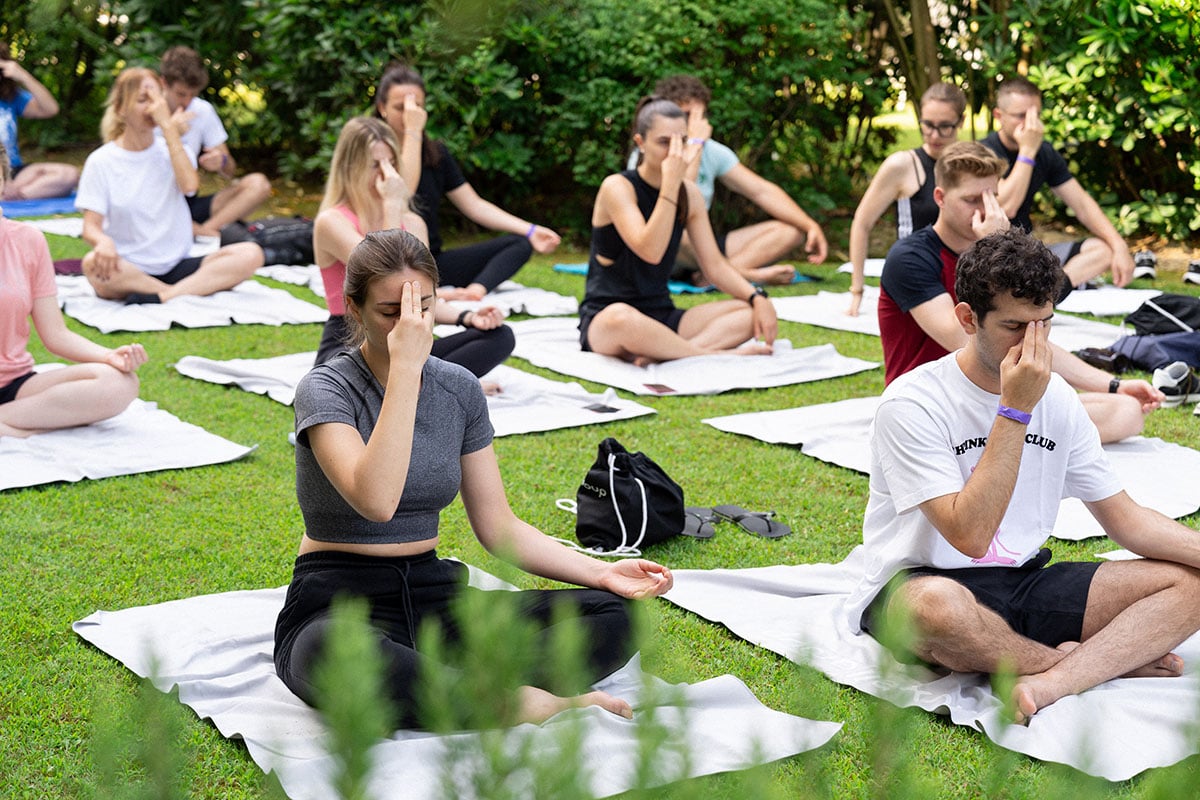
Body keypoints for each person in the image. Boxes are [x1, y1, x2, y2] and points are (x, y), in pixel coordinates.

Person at [273, 228, 673, 729]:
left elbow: (498, 526)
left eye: (418, 309)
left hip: (434, 597)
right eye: (389, 312)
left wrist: (599, 572)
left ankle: (458, 685)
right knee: (338, 654)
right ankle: (521, 701)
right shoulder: (326, 388)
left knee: (615, 616)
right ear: (354, 310)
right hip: (337, 602)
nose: (407, 326)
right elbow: (376, 500)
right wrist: (404, 372)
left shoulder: (458, 389)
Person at [847, 228, 1200, 724]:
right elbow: (969, 535)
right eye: (1016, 326)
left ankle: (1052, 680)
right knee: (935, 609)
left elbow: (1127, 521)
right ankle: (1084, 664)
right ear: (968, 319)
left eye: (1045, 324)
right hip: (921, 583)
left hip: (1022, 581)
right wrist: (1013, 410)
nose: (1035, 344)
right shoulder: (912, 403)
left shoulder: (1057, 397)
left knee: (1189, 583)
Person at [877, 141, 1160, 443]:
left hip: (996, 396)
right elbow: (963, 339)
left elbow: (1027, 339)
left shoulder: (996, 253)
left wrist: (1113, 385)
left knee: (1126, 410)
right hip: (932, 404)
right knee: (1110, 416)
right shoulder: (910, 258)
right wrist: (992, 247)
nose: (986, 210)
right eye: (972, 199)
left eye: (993, 198)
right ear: (940, 198)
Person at [312, 117, 514, 385]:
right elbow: (385, 277)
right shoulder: (332, 222)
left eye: (391, 163)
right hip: (353, 340)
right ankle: (437, 384)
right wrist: (392, 206)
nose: (387, 174)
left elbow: (420, 299)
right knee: (374, 368)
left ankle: (438, 383)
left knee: (500, 336)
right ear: (351, 167)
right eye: (375, 165)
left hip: (405, 339)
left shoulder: (414, 223)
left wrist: (468, 317)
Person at [580, 98, 778, 366]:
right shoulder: (618, 187)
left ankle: (667, 352)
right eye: (664, 142)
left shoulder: (689, 195)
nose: (674, 152)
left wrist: (757, 297)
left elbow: (715, 266)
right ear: (640, 143)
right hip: (609, 320)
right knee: (621, 317)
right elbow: (650, 250)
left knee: (746, 313)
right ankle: (707, 354)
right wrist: (671, 184)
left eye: (681, 142)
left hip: (662, 315)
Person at [373, 62, 560, 302]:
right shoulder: (373, 150)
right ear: (382, 107)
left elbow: (473, 204)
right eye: (401, 107)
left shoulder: (435, 153)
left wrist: (531, 230)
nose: (410, 115)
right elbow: (404, 190)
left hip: (430, 260)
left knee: (518, 244)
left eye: (417, 107)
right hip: (392, 262)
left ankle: (474, 293)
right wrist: (413, 132)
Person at [76, 68, 264, 305]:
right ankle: (181, 290)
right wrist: (103, 242)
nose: (153, 108)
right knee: (91, 265)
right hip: (129, 267)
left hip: (178, 263)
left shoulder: (174, 150)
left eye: (157, 100)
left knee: (251, 253)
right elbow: (90, 227)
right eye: (143, 100)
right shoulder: (101, 161)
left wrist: (168, 128)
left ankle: (164, 295)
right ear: (121, 109)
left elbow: (190, 187)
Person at [0, 143, 146, 438]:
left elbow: (56, 335)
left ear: (4, 184)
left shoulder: (28, 240)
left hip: (15, 384)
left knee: (119, 383)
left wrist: (109, 356)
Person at [631, 74, 828, 287]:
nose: (695, 123)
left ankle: (712, 276)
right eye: (688, 115)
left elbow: (760, 191)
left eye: (701, 115)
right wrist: (694, 144)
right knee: (681, 232)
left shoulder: (712, 150)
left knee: (792, 231)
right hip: (666, 241)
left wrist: (810, 225)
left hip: (701, 244)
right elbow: (680, 202)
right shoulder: (652, 151)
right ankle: (741, 275)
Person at [983, 76, 1133, 290]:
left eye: (1036, 116)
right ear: (999, 116)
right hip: (994, 253)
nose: (1031, 125)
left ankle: (1053, 289)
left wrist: (1119, 245)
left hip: (1027, 250)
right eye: (1021, 116)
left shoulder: (1043, 152)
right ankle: (1046, 288)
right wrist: (1027, 151)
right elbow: (1008, 206)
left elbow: (1081, 202)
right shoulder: (984, 153)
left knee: (1103, 250)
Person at [846, 82, 967, 316]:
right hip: (917, 274)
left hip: (959, 279)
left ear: (960, 122)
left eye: (945, 127)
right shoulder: (902, 165)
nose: (934, 135)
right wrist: (856, 291)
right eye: (927, 125)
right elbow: (862, 223)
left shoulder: (969, 165)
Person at [158, 46, 272, 239]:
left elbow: (230, 171)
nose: (186, 102)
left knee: (258, 184)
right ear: (163, 84)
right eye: (180, 94)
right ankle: (199, 232)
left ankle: (204, 232)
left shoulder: (202, 111)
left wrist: (222, 162)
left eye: (192, 95)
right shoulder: (146, 111)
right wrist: (169, 132)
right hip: (153, 204)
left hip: (187, 203)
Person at [0, 42, 79, 201]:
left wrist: (23, 76)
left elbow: (50, 109)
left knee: (69, 174)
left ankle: (15, 196)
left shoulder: (11, 97)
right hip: (3, 174)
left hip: (15, 172)